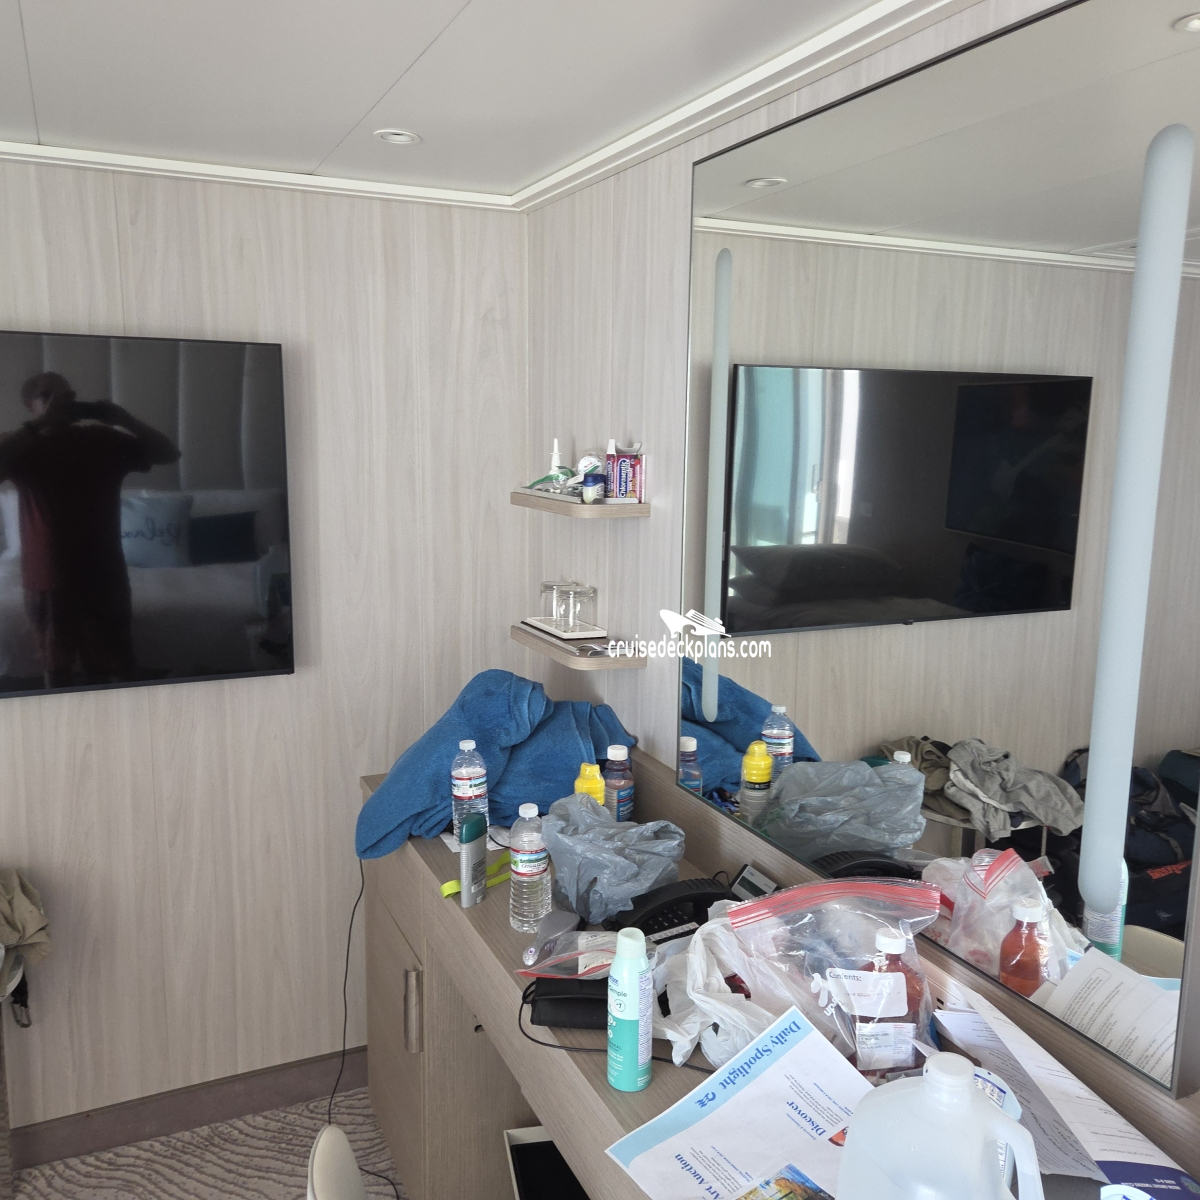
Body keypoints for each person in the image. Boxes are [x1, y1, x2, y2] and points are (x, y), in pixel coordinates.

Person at [0, 372, 180, 687]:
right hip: (47, 579)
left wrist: (124, 419)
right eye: (48, 396)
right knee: (57, 671)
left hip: (105, 575)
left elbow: (168, 454)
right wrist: (38, 426)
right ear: (29, 405)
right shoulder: (20, 445)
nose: (62, 403)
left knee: (119, 668)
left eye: (68, 396)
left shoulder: (102, 439)